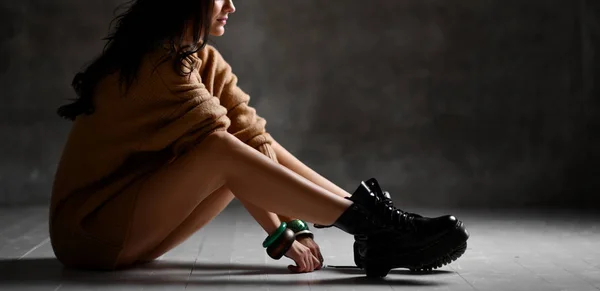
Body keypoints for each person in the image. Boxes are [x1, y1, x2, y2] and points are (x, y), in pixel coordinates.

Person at [50, 0, 469, 278]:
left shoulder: (201, 58)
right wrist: (284, 234)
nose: (232, 5)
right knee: (218, 148)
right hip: (90, 236)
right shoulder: (157, 67)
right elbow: (225, 154)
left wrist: (296, 223)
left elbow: (254, 140)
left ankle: (368, 223)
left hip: (131, 229)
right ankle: (372, 226)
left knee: (238, 141)